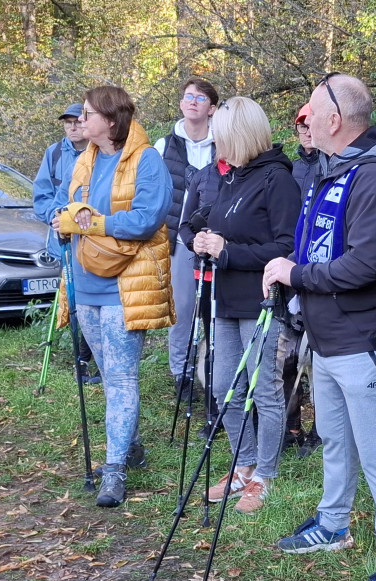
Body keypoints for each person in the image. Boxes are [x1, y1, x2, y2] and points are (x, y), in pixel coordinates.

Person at [263, 73, 376, 581]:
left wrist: (295, 273)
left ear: (335, 119)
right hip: (325, 337)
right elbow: (318, 248)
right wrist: (290, 262)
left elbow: (364, 265)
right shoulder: (328, 169)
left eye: (310, 108)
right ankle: (333, 525)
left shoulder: (374, 175)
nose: (303, 116)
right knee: (334, 438)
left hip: (363, 341)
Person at [55, 85, 174, 507]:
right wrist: (64, 221)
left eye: (87, 115)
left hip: (126, 285)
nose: (80, 121)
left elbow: (145, 220)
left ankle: (114, 470)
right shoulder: (84, 160)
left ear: (110, 120)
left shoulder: (147, 160)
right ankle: (131, 445)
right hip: (85, 285)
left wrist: (95, 224)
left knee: (122, 378)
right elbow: (70, 209)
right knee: (109, 375)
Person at [191, 97, 299, 514]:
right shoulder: (232, 178)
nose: (218, 147)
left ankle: (264, 476)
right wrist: (204, 242)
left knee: (265, 392)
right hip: (225, 300)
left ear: (242, 137)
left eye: (223, 138)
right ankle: (243, 461)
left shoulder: (278, 179)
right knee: (223, 388)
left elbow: (288, 248)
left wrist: (229, 251)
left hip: (263, 302)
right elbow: (218, 229)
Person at [154, 77, 219, 401]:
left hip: (216, 243)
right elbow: (151, 196)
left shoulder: (224, 145)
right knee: (180, 310)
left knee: (214, 310)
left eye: (201, 97)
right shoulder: (164, 146)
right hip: (178, 243)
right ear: (181, 104)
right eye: (188, 96)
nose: (193, 101)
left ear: (213, 108)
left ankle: (214, 373)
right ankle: (182, 374)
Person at [32, 102, 99, 385]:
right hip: (63, 239)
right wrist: (56, 216)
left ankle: (87, 356)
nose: (72, 127)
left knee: (89, 296)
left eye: (77, 121)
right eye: (67, 122)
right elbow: (42, 195)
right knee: (72, 297)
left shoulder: (100, 152)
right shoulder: (55, 153)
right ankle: (80, 359)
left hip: (96, 237)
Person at [280, 102, 321, 454]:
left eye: (311, 124)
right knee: (288, 355)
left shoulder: (334, 167)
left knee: (317, 359)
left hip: (319, 273)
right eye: (300, 126)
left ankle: (322, 429)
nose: (306, 131)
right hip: (288, 269)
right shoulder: (289, 171)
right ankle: (292, 424)